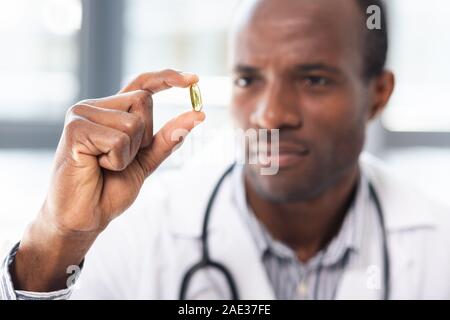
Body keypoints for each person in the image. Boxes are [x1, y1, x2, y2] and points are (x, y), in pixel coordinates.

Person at [1, 0, 450, 300]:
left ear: (378, 94)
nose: (270, 115)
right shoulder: (138, 235)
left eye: (314, 79)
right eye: (247, 80)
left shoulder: (438, 245)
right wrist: (58, 238)